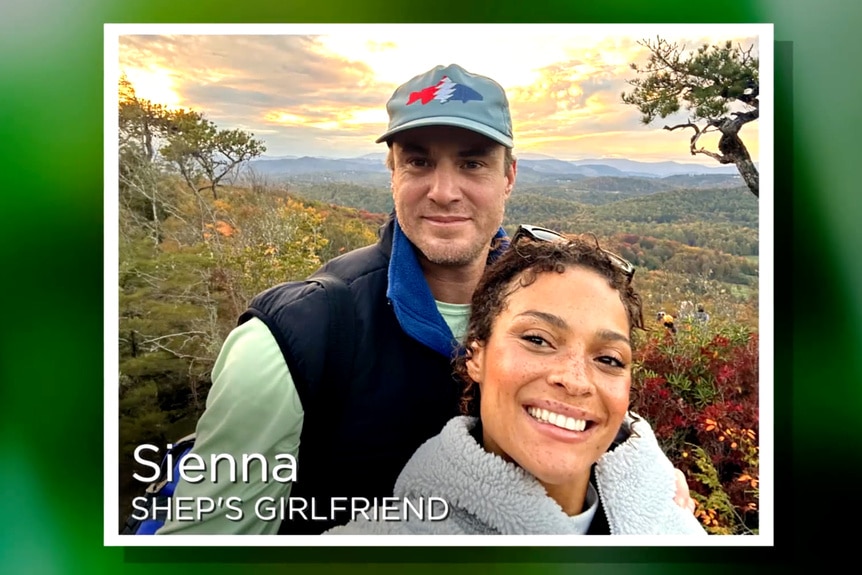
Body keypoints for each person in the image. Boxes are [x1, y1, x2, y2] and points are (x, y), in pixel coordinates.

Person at [155, 63, 692, 536]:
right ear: (391, 171)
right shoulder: (295, 338)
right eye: (417, 162)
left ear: (509, 176)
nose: (443, 190)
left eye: (473, 163)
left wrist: (643, 484)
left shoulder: (551, 304)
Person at [327, 228, 706, 535]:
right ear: (475, 355)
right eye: (537, 339)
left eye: (608, 359)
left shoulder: (664, 512)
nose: (575, 380)